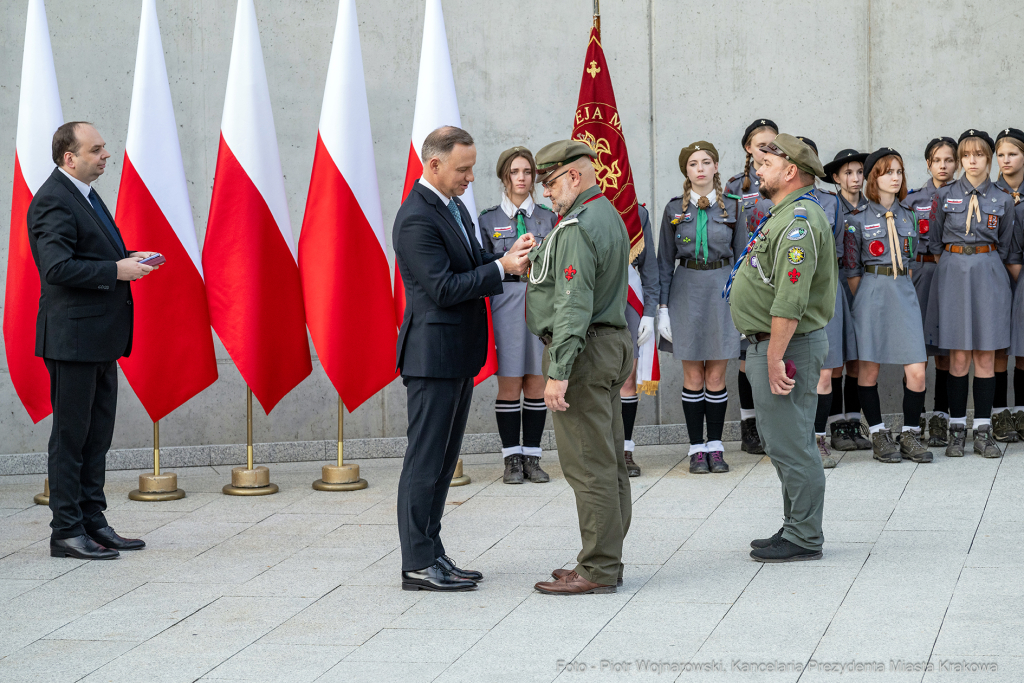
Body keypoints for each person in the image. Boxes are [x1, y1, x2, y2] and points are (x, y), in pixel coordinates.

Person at [393, 126, 533, 591]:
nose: (471, 176)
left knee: (443, 461)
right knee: (425, 461)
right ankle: (416, 562)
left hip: (456, 354)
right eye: (463, 168)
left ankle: (433, 553)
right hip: (431, 356)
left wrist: (507, 259)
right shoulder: (416, 218)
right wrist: (499, 267)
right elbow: (444, 288)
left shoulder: (451, 208)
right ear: (434, 165)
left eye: (472, 167)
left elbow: (474, 263)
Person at [27, 122, 156, 560]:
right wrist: (114, 272)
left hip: (99, 338)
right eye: (96, 150)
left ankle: (93, 521)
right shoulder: (52, 200)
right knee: (71, 437)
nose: (106, 156)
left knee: (96, 436)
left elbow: (90, 254)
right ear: (70, 158)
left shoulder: (82, 193)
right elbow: (57, 268)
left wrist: (125, 258)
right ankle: (66, 530)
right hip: (73, 339)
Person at [526, 140, 633, 595]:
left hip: (584, 353)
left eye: (550, 183)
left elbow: (572, 306)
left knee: (588, 465)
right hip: (609, 345)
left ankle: (599, 569)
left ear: (574, 175)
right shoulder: (606, 213)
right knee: (608, 463)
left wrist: (558, 371)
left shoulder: (575, 226)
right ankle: (605, 557)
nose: (547, 194)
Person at [726, 133, 836, 563]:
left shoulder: (800, 221)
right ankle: (795, 525)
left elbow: (791, 298)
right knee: (782, 440)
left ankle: (805, 537)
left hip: (787, 346)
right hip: (774, 344)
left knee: (791, 443)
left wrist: (774, 358)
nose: (757, 168)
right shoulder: (784, 214)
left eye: (766, 163)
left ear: (791, 170)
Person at [926, 129, 1015, 458]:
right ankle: (956, 429)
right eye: (966, 155)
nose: (972, 161)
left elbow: (1005, 246)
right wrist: (955, 263)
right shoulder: (945, 195)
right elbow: (934, 241)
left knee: (986, 356)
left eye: (979, 155)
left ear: (989, 159)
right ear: (961, 160)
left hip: (989, 271)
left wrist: (983, 263)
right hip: (953, 272)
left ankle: (983, 429)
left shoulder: (1002, 199)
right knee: (959, 356)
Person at [658, 141, 745, 474]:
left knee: (717, 374)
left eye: (706, 162)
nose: (700, 168)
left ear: (716, 166)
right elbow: (664, 261)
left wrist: (744, 305)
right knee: (693, 375)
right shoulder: (673, 210)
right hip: (687, 291)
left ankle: (717, 447)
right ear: (686, 171)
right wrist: (663, 307)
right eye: (693, 163)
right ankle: (696, 448)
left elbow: (743, 261)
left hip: (723, 291)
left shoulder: (735, 208)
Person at [844, 148, 931, 463]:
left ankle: (909, 433)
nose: (895, 177)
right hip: (872, 292)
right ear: (873, 178)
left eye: (899, 171)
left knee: (917, 371)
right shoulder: (855, 220)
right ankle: (879, 434)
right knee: (869, 368)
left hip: (903, 292)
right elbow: (852, 270)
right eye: (887, 172)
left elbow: (911, 257)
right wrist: (867, 297)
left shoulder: (909, 216)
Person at [479, 146, 557, 484]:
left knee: (537, 382)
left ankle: (533, 457)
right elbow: (482, 266)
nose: (522, 178)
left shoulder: (548, 217)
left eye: (527, 172)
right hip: (505, 302)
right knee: (510, 382)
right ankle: (512, 458)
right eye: (515, 172)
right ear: (504, 177)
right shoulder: (488, 219)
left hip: (541, 299)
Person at [725, 119, 778, 456]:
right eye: (761, 145)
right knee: (747, 357)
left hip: (779, 275)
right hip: (748, 277)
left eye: (774, 144)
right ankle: (749, 425)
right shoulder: (734, 187)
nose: (767, 150)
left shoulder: (781, 179)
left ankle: (772, 424)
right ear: (748, 148)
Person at [903, 137, 957, 447]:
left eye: (949, 160)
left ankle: (940, 417)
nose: (943, 166)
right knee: (917, 349)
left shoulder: (964, 197)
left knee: (946, 350)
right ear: (928, 163)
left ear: (956, 164)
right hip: (920, 273)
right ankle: (916, 418)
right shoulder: (913, 200)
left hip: (948, 273)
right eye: (937, 160)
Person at [822, 149, 872, 452]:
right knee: (837, 358)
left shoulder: (872, 206)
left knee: (858, 357)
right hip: (838, 282)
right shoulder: (830, 205)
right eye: (848, 173)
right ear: (836, 178)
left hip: (866, 284)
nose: (855, 179)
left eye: (859, 172)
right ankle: (836, 423)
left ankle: (854, 420)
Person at [798, 137, 844, 469]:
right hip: (790, 294)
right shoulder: (770, 202)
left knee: (824, 373)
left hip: (824, 294)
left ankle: (817, 439)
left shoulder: (831, 202)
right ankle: (793, 439)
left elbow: (840, 250)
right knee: (792, 372)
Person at [620, 202, 659, 477]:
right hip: (591, 299)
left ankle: (625, 449)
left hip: (630, 299)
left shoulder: (637, 212)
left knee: (628, 378)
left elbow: (649, 266)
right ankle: (601, 451)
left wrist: (650, 313)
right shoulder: (579, 207)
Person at [992, 128, 1024, 441]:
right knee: (999, 347)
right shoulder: (990, 193)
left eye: (1012, 153)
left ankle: (1022, 413)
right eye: (1000, 155)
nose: (1005, 160)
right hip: (996, 278)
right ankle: (999, 414)